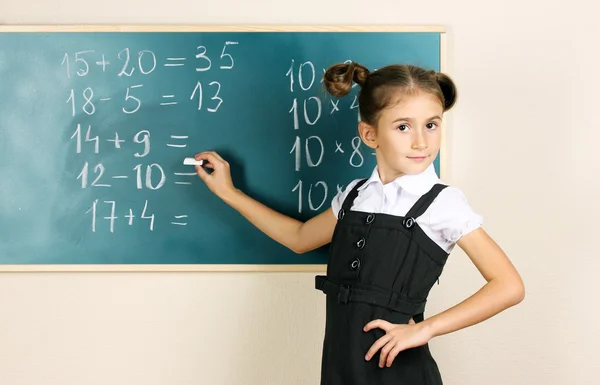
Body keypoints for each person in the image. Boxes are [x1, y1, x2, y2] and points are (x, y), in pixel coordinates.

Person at [193, 62, 525, 385]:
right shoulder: (354, 196)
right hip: (341, 369)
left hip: (399, 373)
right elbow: (298, 237)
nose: (421, 142)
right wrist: (230, 193)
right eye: (403, 127)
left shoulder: (443, 203)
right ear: (369, 134)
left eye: (431, 124)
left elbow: (508, 285)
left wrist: (425, 329)